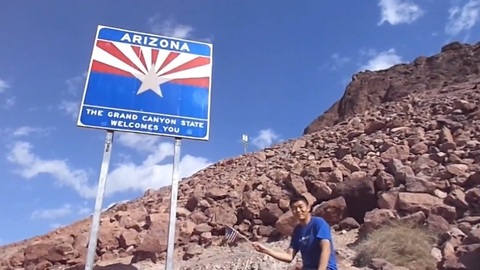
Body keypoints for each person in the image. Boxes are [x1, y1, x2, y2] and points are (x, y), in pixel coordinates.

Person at [252, 195, 338, 270]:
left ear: (308, 208)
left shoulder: (319, 223)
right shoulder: (297, 231)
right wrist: (266, 250)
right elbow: (289, 257)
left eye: (301, 207)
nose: (298, 210)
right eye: (294, 208)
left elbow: (326, 248)